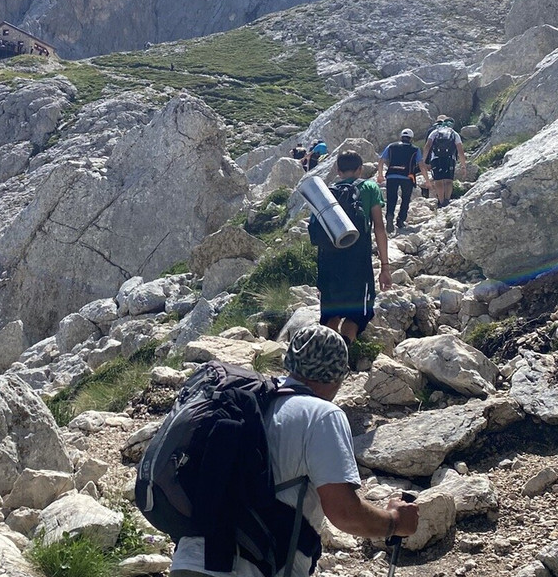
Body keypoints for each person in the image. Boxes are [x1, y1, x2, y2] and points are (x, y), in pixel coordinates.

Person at [168, 325, 420, 577]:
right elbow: (344, 512)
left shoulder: (249, 401)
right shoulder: (322, 415)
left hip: (187, 562)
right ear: (338, 376)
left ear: (289, 362)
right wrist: (394, 522)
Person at [308, 151, 392, 342]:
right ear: (360, 169)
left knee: (331, 315)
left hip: (328, 260)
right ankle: (344, 353)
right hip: (357, 262)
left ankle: (328, 353)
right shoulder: (370, 187)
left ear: (338, 171)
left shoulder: (327, 193)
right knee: (355, 317)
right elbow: (379, 228)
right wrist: (385, 267)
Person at [376, 128, 427, 235]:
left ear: (401, 137)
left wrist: (380, 175)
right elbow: (421, 165)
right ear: (411, 139)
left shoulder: (391, 146)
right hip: (407, 177)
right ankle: (400, 220)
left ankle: (389, 215)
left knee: (391, 198)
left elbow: (381, 160)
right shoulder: (415, 149)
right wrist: (427, 180)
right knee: (405, 198)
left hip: (392, 175)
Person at [422, 115, 467, 208]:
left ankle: (441, 201)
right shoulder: (454, 133)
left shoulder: (435, 132)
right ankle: (447, 200)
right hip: (450, 159)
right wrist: (463, 165)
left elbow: (427, 146)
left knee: (438, 180)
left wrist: (423, 160)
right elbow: (460, 150)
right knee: (448, 181)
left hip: (436, 158)